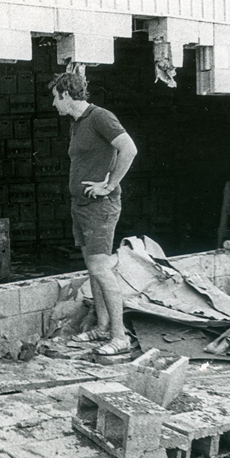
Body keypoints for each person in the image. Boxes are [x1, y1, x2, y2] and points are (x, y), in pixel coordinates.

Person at [49, 71, 138, 356]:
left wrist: (110, 184)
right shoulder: (77, 123)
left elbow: (129, 148)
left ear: (65, 94)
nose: (53, 104)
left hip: (101, 207)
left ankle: (119, 336)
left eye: (55, 97)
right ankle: (102, 327)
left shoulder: (100, 116)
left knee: (101, 267)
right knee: (93, 268)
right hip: (82, 207)